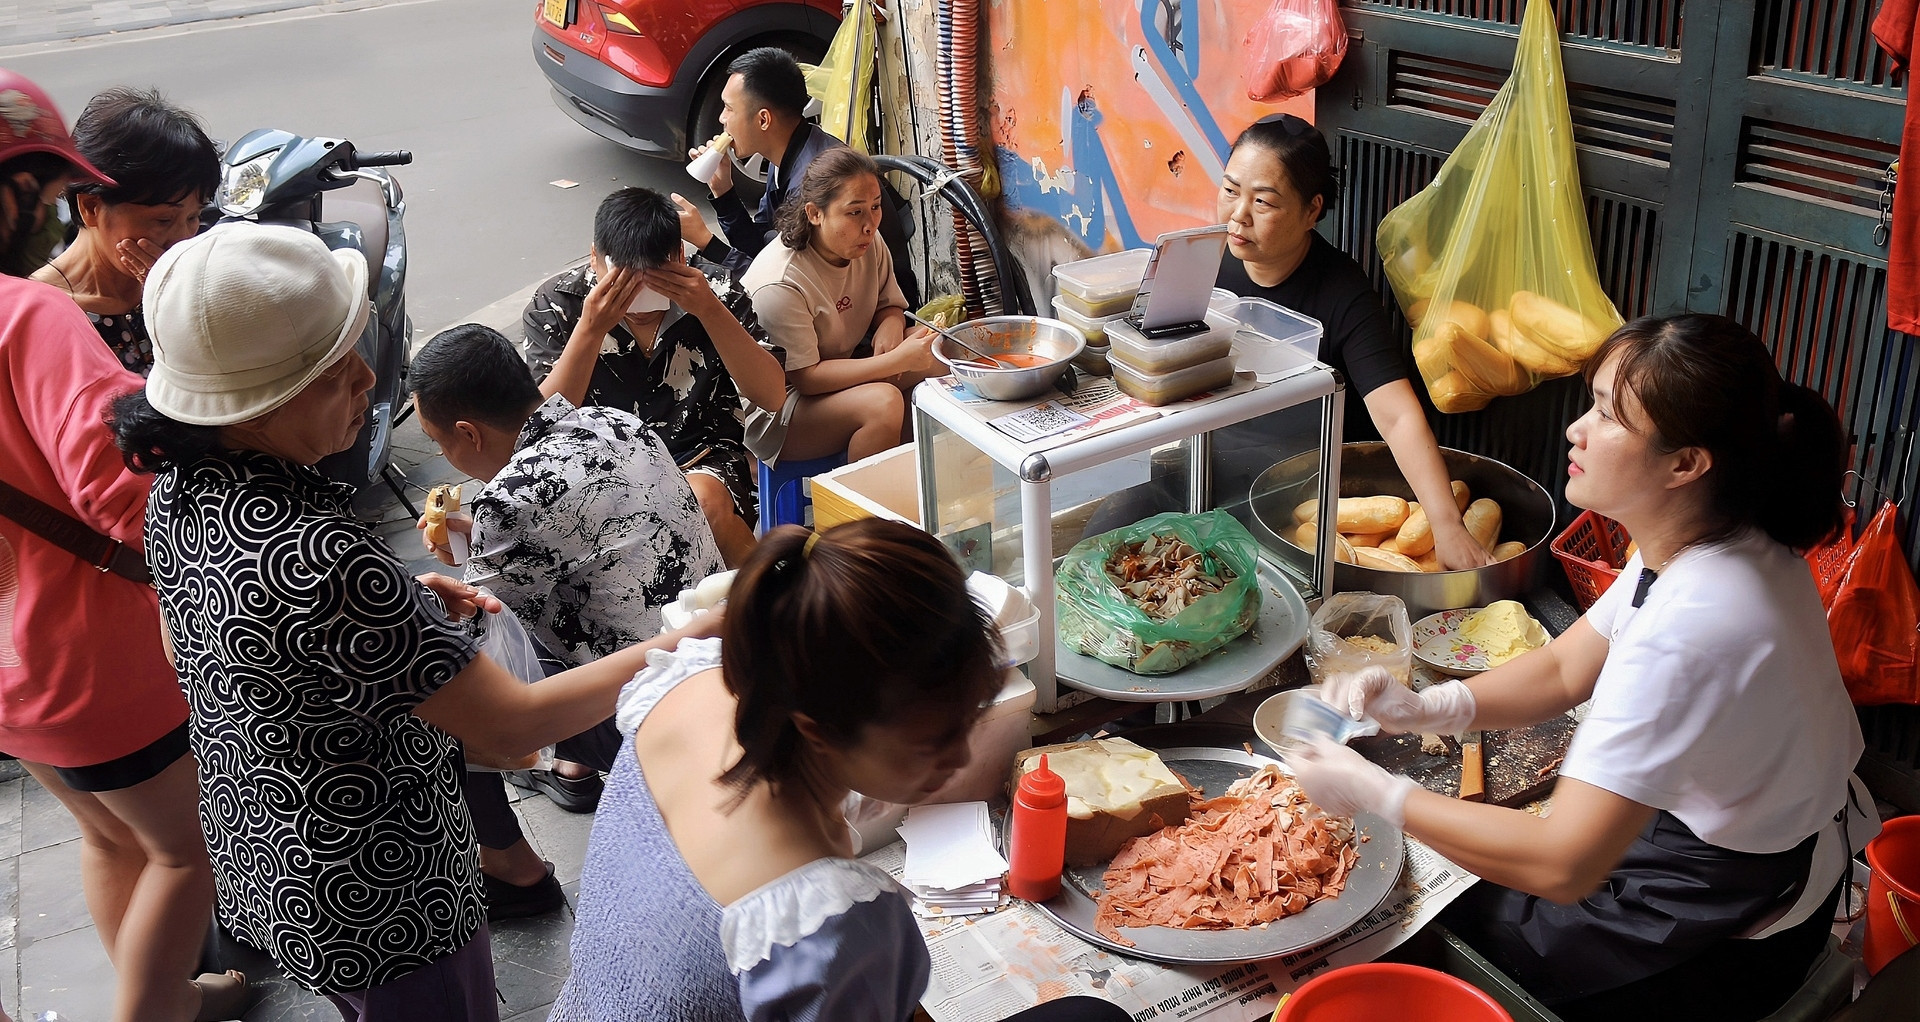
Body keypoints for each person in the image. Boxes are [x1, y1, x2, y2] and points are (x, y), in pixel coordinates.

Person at [111, 220, 721, 1019]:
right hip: (385, 899)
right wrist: (688, 642)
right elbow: (510, 731)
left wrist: (389, 616)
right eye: (339, 374)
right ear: (265, 404)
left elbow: (194, 644)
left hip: (268, 849)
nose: (369, 381)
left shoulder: (180, 492)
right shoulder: (323, 559)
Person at [1290, 314, 1864, 1021]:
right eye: (1591, 400)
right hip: (1730, 851)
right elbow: (1565, 667)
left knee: (1411, 921)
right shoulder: (1706, 542)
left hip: (1717, 937)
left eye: (1607, 414)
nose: (1575, 431)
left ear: (1686, 463)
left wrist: (1376, 791)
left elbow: (1563, 865)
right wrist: (1427, 708)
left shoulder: (1694, 626)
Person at [549, 518, 1130, 1022]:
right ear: (818, 728)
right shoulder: (826, 924)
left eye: (967, 718)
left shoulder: (693, 684)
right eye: (931, 741)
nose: (959, 758)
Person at [0, 70, 246, 1022]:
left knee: (114, 843)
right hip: (93, 656)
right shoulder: (35, 316)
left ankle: (171, 994)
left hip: (18, 664)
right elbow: (119, 495)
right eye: (51, 193)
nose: (55, 211)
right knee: (183, 854)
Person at [411, 322, 727, 915]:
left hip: (654, 704)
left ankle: (512, 868)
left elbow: (489, 625)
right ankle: (575, 773)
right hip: (719, 654)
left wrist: (470, 547)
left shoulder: (507, 504)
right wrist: (474, 537)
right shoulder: (616, 421)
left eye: (438, 443)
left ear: (467, 433)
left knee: (440, 689)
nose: (444, 457)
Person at [1215, 114, 1488, 570]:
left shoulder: (1343, 292)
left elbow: (1397, 415)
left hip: (1302, 484)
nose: (1238, 215)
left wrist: (1446, 526)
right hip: (1216, 462)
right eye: (1229, 190)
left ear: (1311, 211)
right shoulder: (1205, 261)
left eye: (1262, 201)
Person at [522, 186, 786, 566]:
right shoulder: (557, 304)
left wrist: (710, 311)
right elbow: (540, 426)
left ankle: (752, 604)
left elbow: (772, 395)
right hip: (595, 465)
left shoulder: (714, 289)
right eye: (624, 281)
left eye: (655, 281)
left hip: (700, 454)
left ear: (680, 256)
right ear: (595, 258)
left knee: (700, 506)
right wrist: (591, 330)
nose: (638, 300)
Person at [739, 147, 942, 465]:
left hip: (841, 366)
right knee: (882, 402)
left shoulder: (867, 241)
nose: (870, 224)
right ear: (815, 213)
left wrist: (891, 325)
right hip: (782, 408)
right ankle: (866, 510)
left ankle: (917, 477)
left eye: (875, 207)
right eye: (854, 211)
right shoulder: (780, 282)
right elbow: (807, 378)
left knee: (943, 350)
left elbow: (888, 305)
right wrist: (895, 361)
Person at [677, 45, 919, 305]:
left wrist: (706, 241)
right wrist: (723, 192)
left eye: (729, 108)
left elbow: (782, 286)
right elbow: (764, 248)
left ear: (763, 120)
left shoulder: (813, 184)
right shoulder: (788, 151)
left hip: (873, 312)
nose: (722, 118)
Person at [32, 87, 218, 375]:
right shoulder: (40, 315)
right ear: (92, 207)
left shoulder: (186, 287)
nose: (182, 240)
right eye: (163, 221)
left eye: (194, 217)